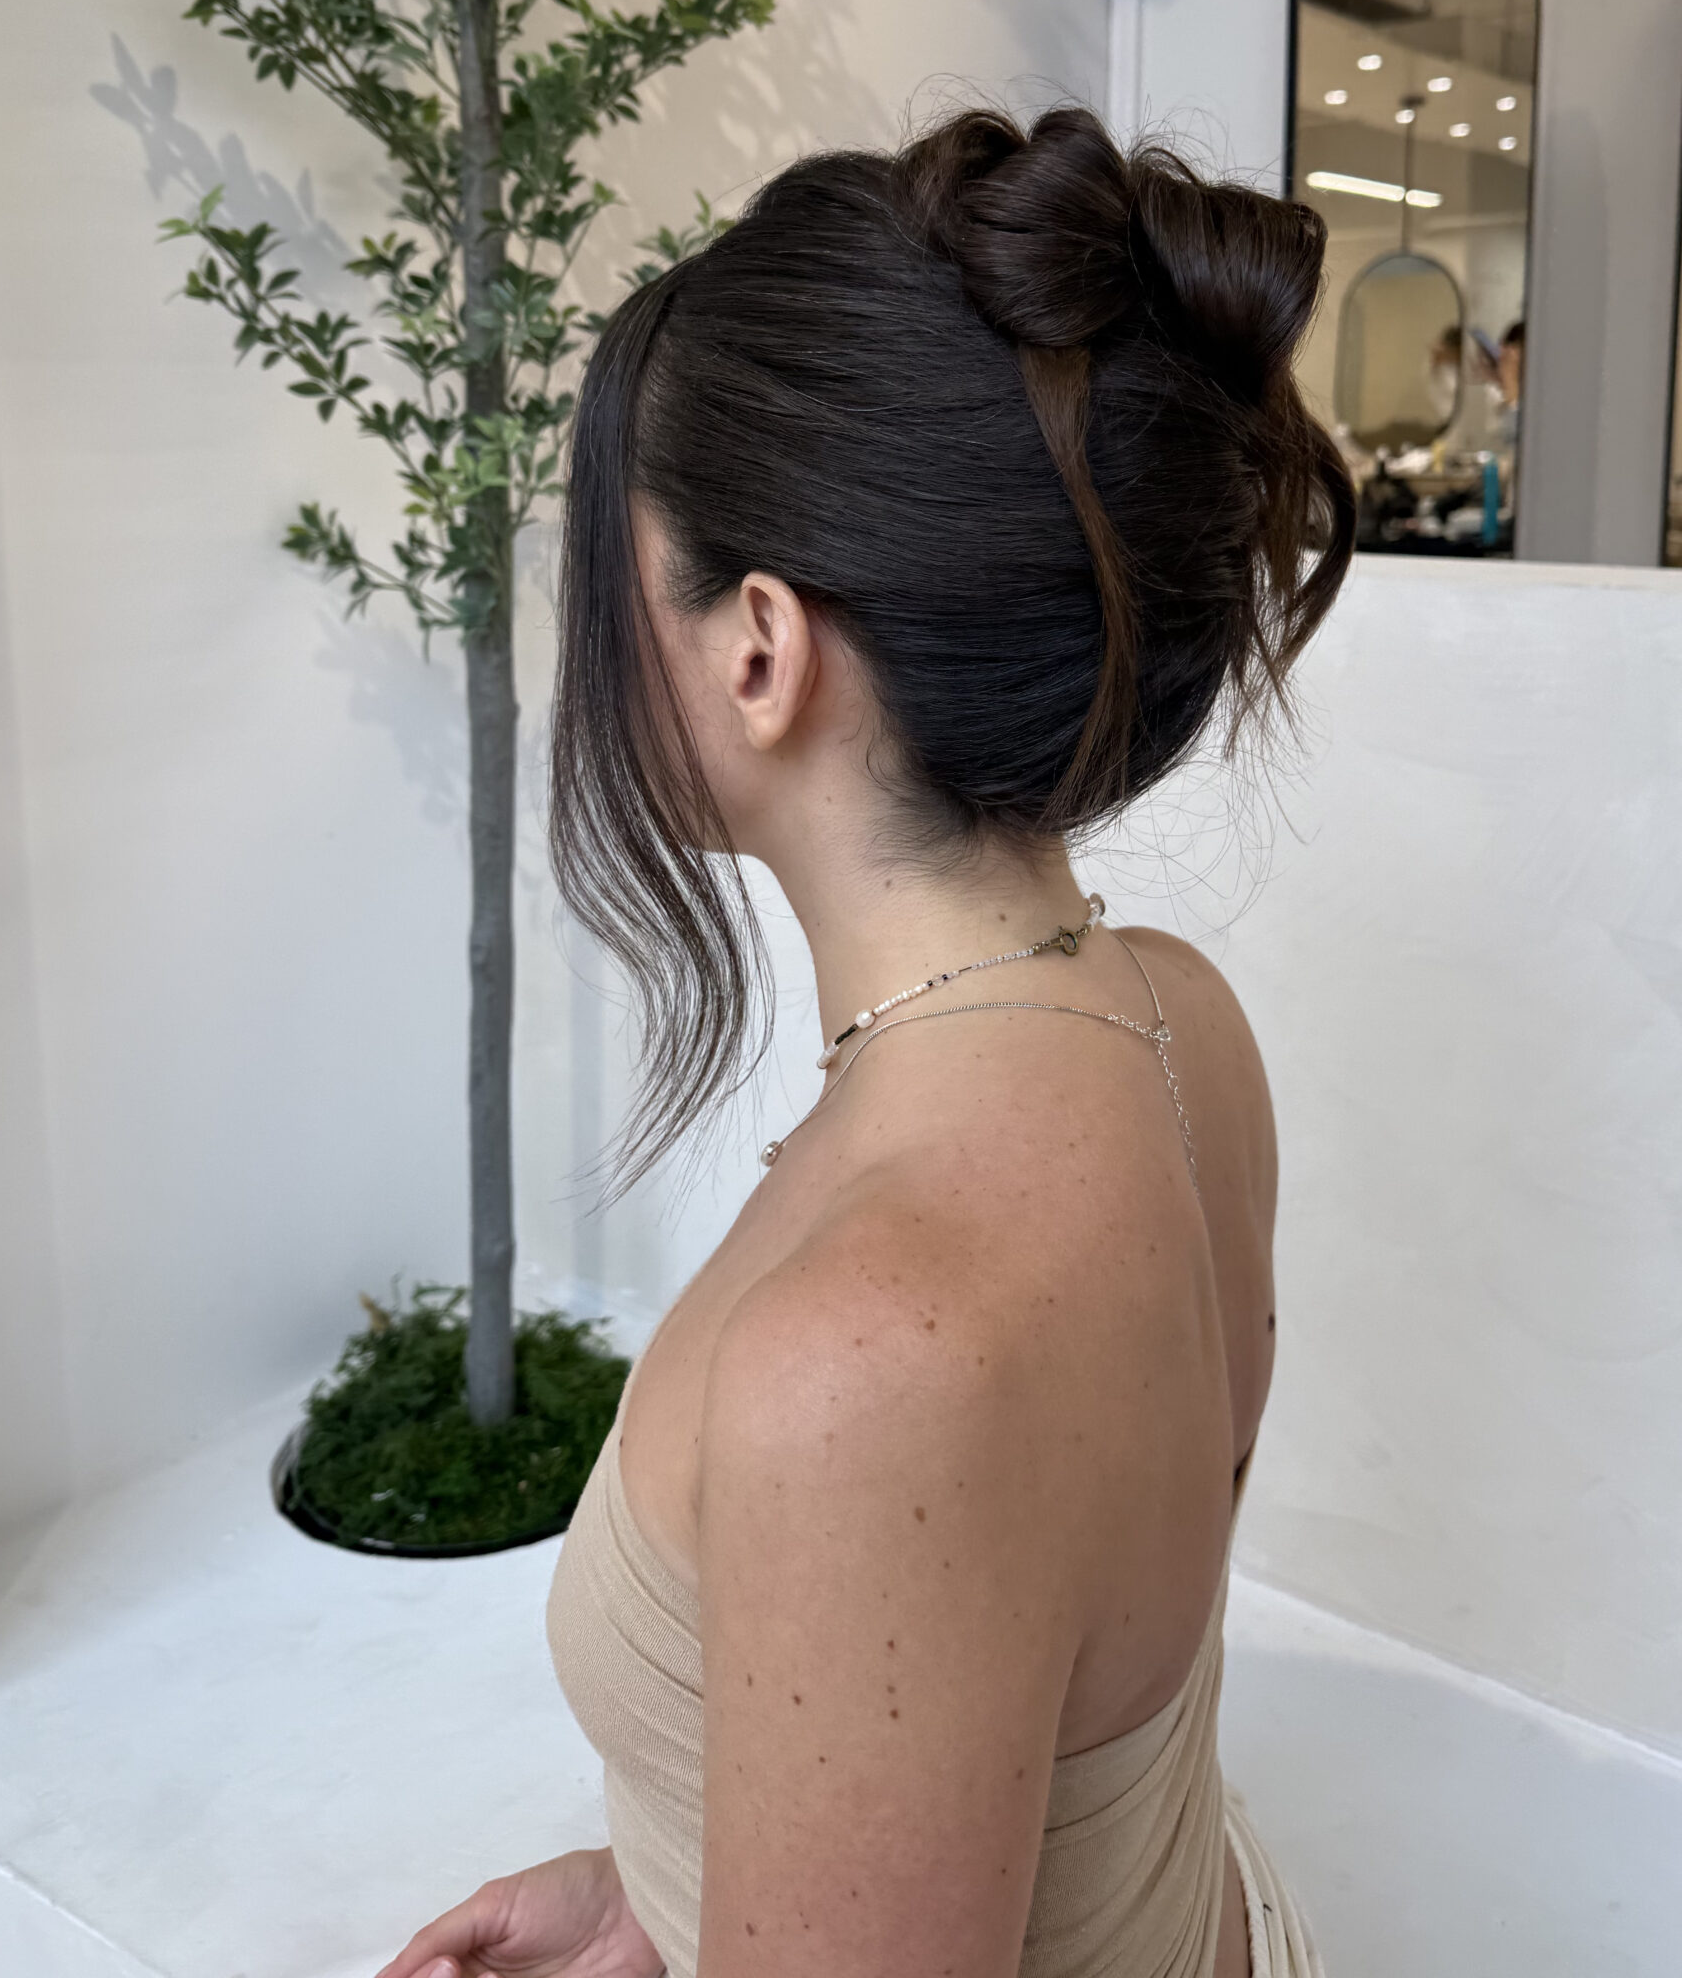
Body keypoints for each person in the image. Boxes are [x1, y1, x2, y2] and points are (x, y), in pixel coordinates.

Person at [375, 106, 1354, 1978]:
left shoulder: (867, 1359)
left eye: (608, 579)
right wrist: (666, 1884)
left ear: (760, 646)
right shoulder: (1177, 1023)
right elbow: (1037, 1718)